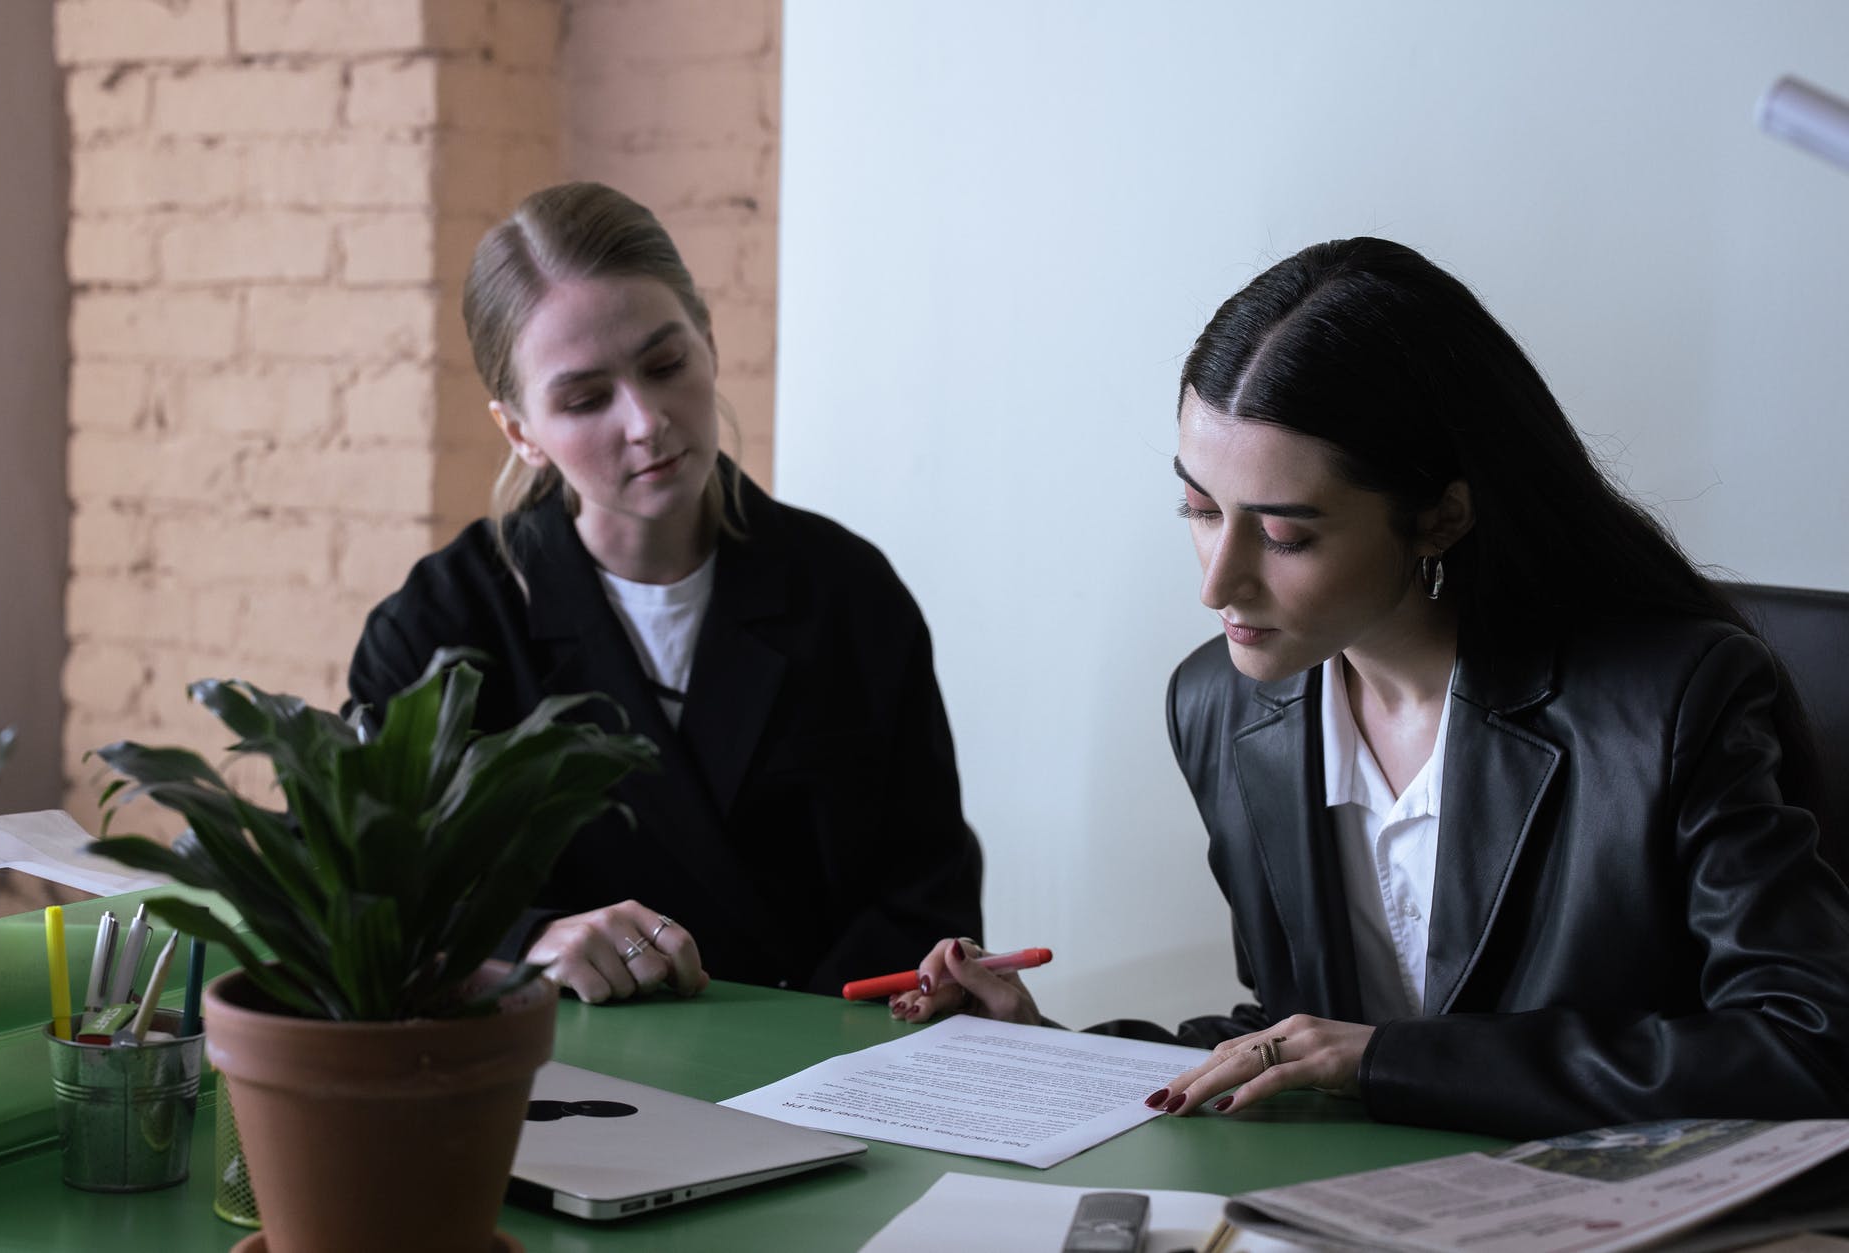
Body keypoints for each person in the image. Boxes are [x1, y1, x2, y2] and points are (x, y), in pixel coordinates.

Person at [891, 237, 1849, 1139]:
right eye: (1198, 506)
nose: (1216, 583)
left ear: (1439, 516)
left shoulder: (1674, 702)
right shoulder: (1221, 707)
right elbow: (1300, 1033)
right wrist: (1039, 1046)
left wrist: (1398, 1061)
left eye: (1284, 535)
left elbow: (1808, 1047)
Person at [348, 182, 983, 1003]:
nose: (645, 420)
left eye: (666, 364)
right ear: (520, 431)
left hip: (821, 1078)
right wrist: (528, 939)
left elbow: (928, 892)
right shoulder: (442, 625)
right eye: (585, 399)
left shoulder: (849, 595)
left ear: (709, 342)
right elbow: (367, 893)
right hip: (542, 1092)